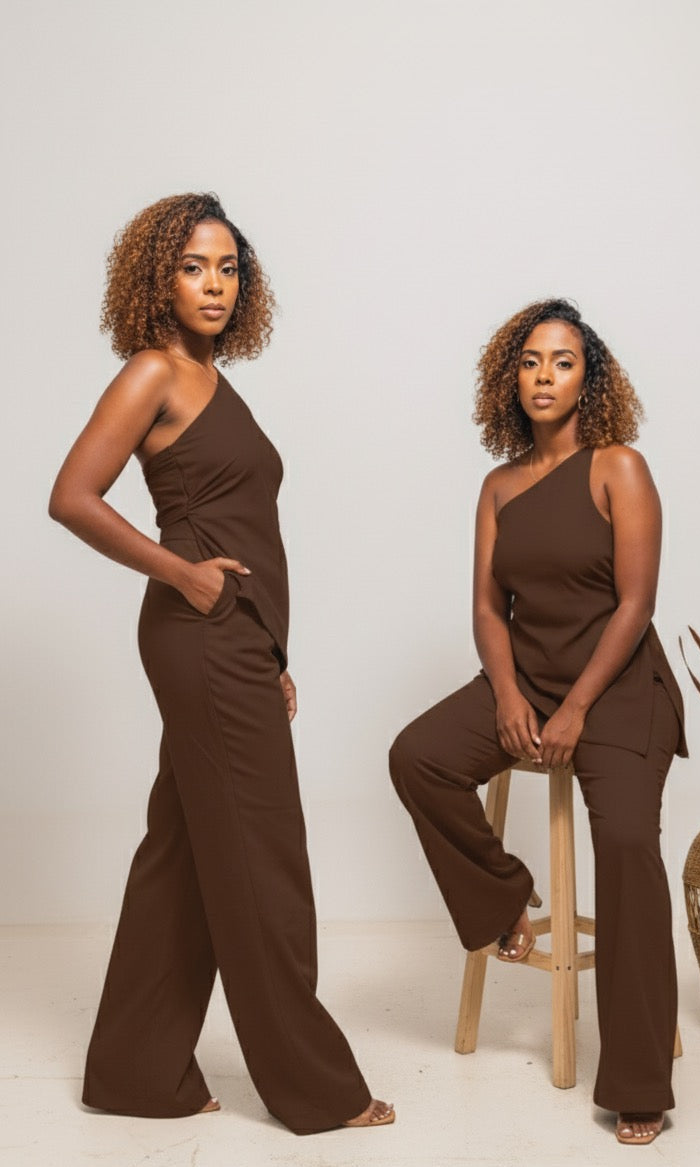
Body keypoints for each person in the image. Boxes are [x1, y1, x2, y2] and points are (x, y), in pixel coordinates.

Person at [49, 192, 393, 1134]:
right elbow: (72, 495)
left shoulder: (212, 377)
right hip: (196, 634)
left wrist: (267, 650)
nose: (215, 284)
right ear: (157, 278)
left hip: (232, 642)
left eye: (229, 268)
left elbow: (241, 526)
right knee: (264, 857)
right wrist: (184, 576)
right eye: (194, 266)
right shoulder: (152, 372)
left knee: (184, 853)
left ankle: (134, 1070)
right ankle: (317, 1089)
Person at [389, 298, 686, 1146]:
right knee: (416, 756)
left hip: (618, 687)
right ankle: (505, 898)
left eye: (562, 361)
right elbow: (489, 607)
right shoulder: (498, 486)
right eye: (529, 361)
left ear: (588, 378)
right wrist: (510, 695)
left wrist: (578, 705)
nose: (544, 376)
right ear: (509, 379)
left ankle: (638, 1082)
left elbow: (635, 604)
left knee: (625, 846)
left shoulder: (618, 467)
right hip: (527, 677)